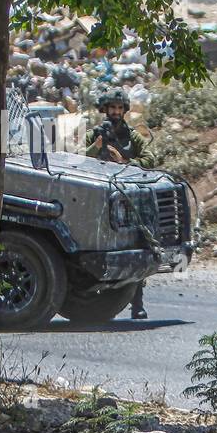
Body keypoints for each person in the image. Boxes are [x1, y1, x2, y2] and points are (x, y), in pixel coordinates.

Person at [84, 88, 149, 319]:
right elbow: (80, 160)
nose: (116, 112)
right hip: (101, 198)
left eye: (120, 108)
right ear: (105, 109)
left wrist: (124, 161)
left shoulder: (133, 137)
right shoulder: (94, 134)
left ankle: (137, 303)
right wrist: (97, 145)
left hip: (129, 198)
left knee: (137, 246)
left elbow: (150, 159)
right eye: (112, 108)